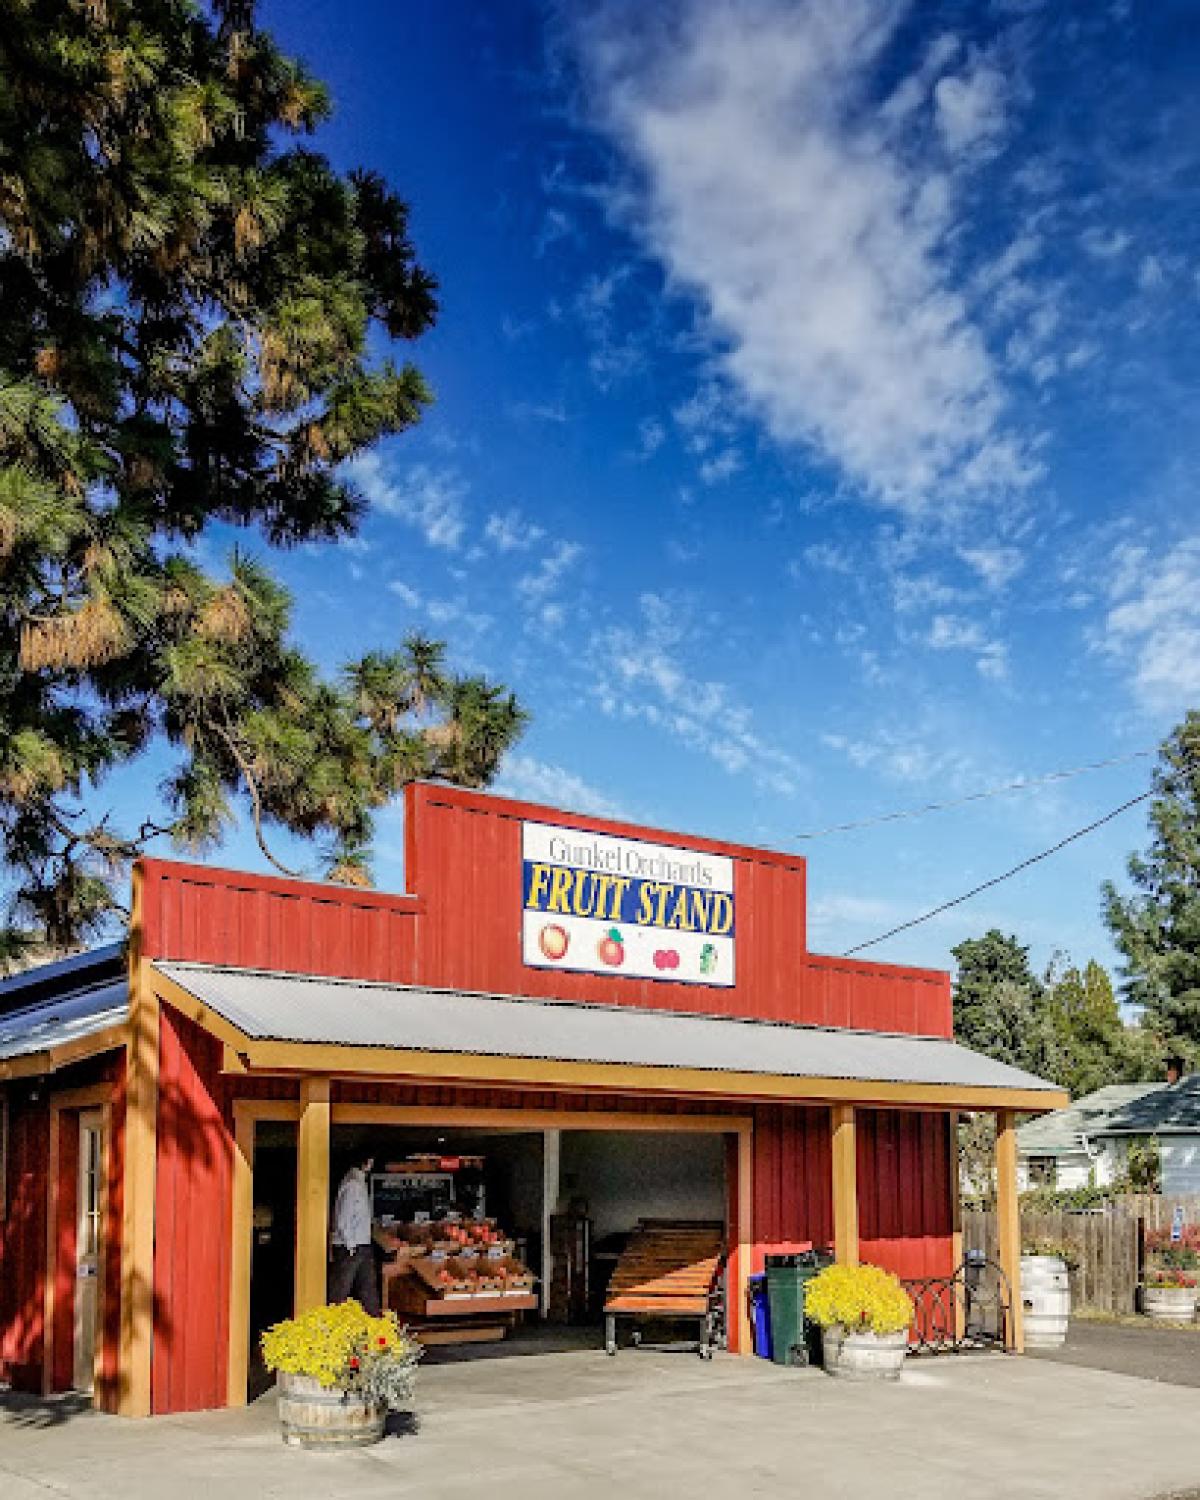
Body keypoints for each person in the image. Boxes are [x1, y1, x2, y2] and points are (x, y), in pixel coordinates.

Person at [329, 1153, 381, 1314]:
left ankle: (375, 1324)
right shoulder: (352, 1185)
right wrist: (350, 1245)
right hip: (351, 1246)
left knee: (367, 1287)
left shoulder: (358, 1182)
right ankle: (331, 1325)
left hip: (360, 1244)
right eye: (370, 1160)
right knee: (341, 1288)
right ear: (366, 1162)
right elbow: (343, 1219)